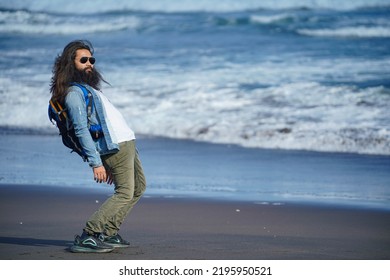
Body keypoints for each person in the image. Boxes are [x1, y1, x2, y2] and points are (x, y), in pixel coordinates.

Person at [50, 40, 146, 253]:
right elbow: (82, 130)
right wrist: (97, 163)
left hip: (126, 143)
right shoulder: (74, 93)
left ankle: (109, 232)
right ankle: (89, 235)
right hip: (116, 147)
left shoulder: (87, 88)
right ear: (70, 63)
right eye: (83, 60)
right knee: (124, 193)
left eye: (91, 59)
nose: (89, 63)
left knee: (138, 188)